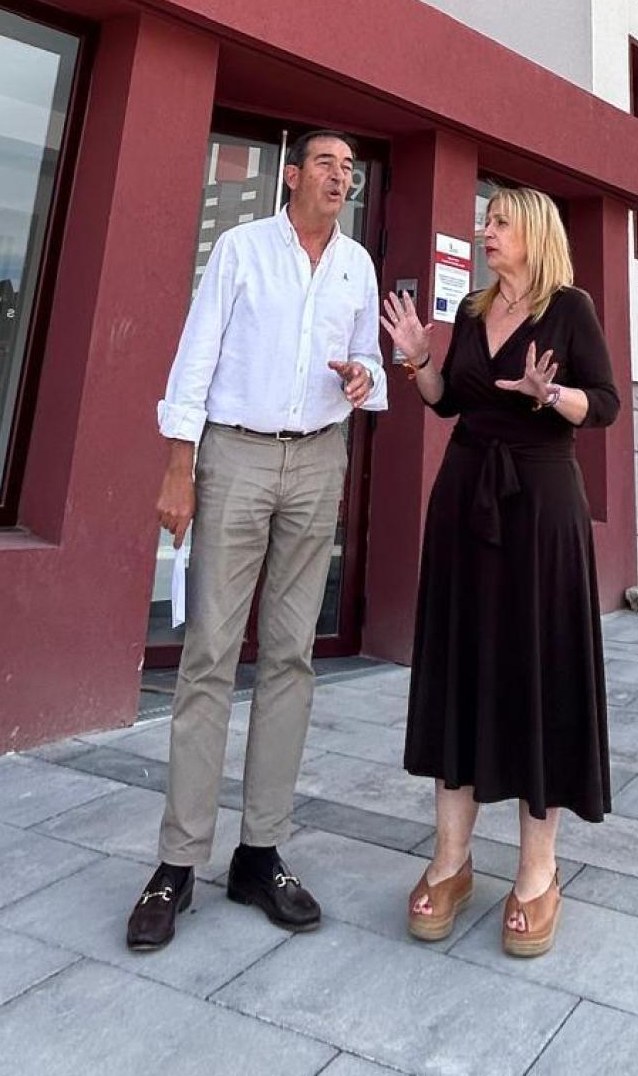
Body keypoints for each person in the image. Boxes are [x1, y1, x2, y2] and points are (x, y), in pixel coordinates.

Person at [126, 130, 387, 951]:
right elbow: (195, 352)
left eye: (351, 169)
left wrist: (362, 376)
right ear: (293, 175)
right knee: (207, 652)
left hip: (317, 459)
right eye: (327, 164)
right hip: (233, 454)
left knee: (291, 657)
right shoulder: (241, 249)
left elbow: (371, 361)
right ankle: (177, 861)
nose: (341, 177)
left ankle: (260, 852)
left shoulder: (357, 265)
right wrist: (180, 463)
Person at [381, 185, 618, 960]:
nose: (486, 231)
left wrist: (557, 395)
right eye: (485, 221)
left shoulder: (572, 307)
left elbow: (607, 404)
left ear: (535, 232)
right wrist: (418, 360)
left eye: (500, 221)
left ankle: (538, 872)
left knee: (535, 672)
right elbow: (447, 401)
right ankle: (450, 863)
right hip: (464, 501)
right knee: (460, 667)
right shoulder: (474, 313)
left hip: (541, 508)